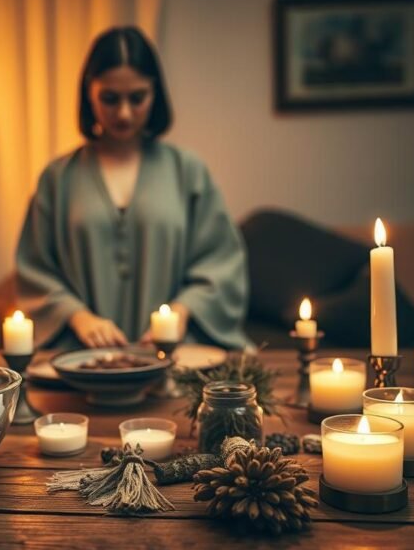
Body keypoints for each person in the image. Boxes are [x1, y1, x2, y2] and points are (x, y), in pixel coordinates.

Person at [15, 26, 249, 351]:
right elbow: (35, 270)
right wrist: (78, 317)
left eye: (137, 98)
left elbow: (221, 263)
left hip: (173, 356)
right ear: (88, 94)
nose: (124, 113)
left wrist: (181, 312)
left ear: (155, 94)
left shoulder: (188, 171)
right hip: (80, 361)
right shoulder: (58, 178)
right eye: (110, 99)